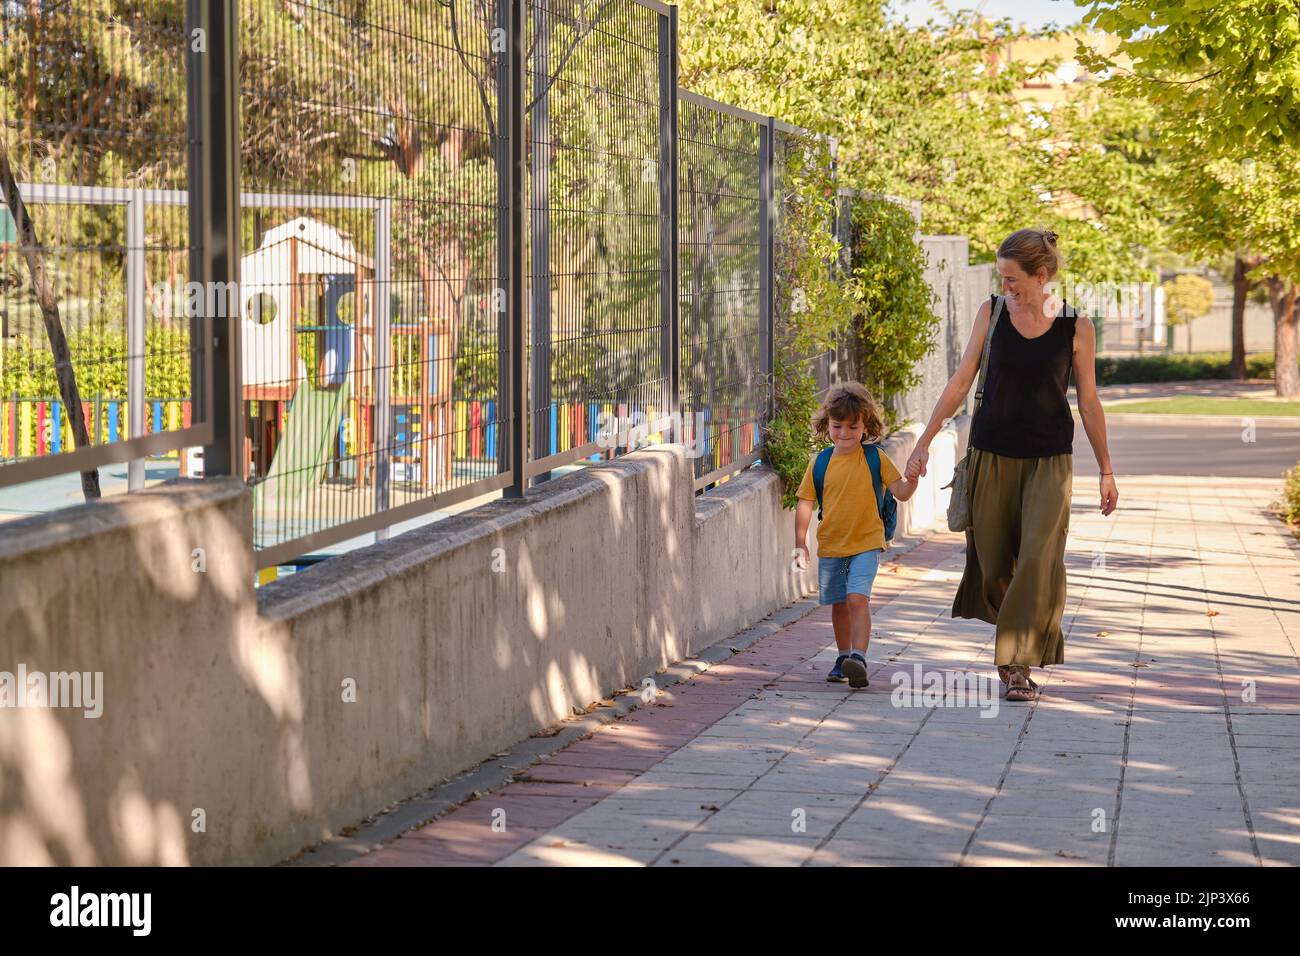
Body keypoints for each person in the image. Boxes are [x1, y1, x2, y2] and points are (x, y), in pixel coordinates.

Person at [905, 228, 1118, 702]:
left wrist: (1106, 469)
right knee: (995, 564)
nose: (1005, 286)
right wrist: (923, 442)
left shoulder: (1075, 326)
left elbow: (1088, 401)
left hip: (1049, 461)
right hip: (991, 453)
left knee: (1038, 560)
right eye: (1001, 277)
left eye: (1012, 278)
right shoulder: (992, 312)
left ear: (1041, 276)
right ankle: (1018, 641)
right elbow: (962, 381)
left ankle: (1016, 663)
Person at [794, 383, 918, 688]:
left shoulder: (875, 458)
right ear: (828, 425)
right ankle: (843, 656)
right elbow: (806, 502)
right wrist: (800, 543)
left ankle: (859, 658)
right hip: (832, 545)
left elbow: (900, 491)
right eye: (838, 426)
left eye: (853, 426)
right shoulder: (820, 463)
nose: (845, 433)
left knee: (857, 598)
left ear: (866, 426)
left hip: (866, 543)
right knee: (839, 604)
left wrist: (912, 479)